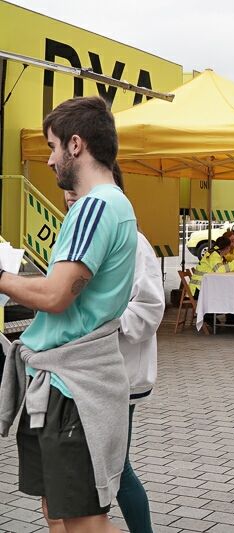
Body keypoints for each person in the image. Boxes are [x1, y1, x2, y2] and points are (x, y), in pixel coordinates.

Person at [0, 96, 137, 532]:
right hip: (59, 381)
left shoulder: (96, 207)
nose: (49, 159)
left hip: (73, 386)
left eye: (53, 146)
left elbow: (57, 295)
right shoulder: (110, 205)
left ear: (76, 145)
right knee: (58, 513)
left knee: (84, 524)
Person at [64, 170, 164, 533]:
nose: (71, 196)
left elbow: (150, 309)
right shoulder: (73, 239)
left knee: (115, 469)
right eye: (67, 190)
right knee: (100, 467)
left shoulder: (133, 242)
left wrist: (101, 316)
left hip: (117, 373)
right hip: (80, 374)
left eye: (79, 188)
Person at [189, 236, 234, 326]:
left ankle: (230, 318)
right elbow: (220, 270)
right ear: (227, 247)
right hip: (198, 289)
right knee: (228, 293)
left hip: (204, 286)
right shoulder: (214, 255)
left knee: (229, 292)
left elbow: (224, 268)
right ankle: (209, 315)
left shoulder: (216, 254)